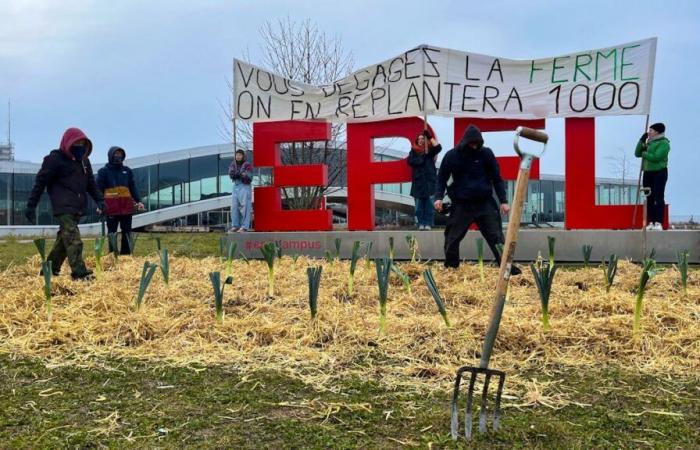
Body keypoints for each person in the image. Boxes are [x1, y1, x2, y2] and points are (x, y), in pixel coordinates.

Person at [434, 124, 520, 274]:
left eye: (477, 144)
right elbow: (441, 178)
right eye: (471, 143)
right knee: (452, 238)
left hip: (484, 203)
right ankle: (452, 269)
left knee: (496, 238)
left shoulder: (486, 154)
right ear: (465, 142)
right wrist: (438, 197)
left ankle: (507, 269)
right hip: (462, 204)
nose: (474, 146)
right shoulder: (452, 155)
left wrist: (504, 201)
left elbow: (496, 178)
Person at [24, 128, 105, 280]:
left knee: (64, 239)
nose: (80, 146)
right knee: (74, 239)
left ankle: (49, 269)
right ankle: (79, 273)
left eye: (83, 143)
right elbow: (40, 182)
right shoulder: (54, 159)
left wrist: (100, 200)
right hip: (63, 206)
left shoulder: (84, 162)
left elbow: (91, 184)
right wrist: (31, 205)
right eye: (77, 143)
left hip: (78, 206)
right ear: (68, 143)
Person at [96, 146, 145, 254]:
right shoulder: (103, 172)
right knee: (112, 233)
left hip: (126, 208)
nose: (118, 156)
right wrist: (99, 204)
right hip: (111, 208)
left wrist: (139, 201)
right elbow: (98, 189)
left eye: (120, 154)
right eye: (116, 154)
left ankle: (126, 256)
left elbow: (133, 187)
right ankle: (112, 255)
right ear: (110, 156)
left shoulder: (127, 171)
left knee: (127, 232)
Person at [635, 122, 670, 231]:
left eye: (651, 130)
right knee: (649, 197)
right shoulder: (649, 143)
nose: (649, 132)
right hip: (648, 172)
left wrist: (644, 153)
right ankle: (651, 222)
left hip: (659, 172)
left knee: (658, 196)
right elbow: (637, 153)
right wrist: (641, 141)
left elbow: (656, 157)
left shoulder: (664, 143)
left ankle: (659, 222)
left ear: (657, 131)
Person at [407, 129, 442, 230]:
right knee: (418, 207)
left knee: (429, 206)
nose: (421, 140)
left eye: (423, 138)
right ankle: (421, 223)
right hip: (418, 184)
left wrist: (430, 137)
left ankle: (428, 224)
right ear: (417, 141)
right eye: (420, 139)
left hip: (429, 182)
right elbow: (410, 161)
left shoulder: (429, 151)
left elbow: (438, 147)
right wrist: (422, 158)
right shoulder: (413, 151)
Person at [228, 149, 253, 232]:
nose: (238, 156)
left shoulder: (247, 165)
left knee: (245, 206)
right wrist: (240, 174)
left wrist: (238, 174)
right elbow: (231, 174)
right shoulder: (233, 164)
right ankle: (235, 225)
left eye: (240, 155)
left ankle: (244, 226)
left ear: (243, 156)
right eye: (237, 155)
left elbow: (249, 177)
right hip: (235, 186)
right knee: (234, 207)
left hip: (244, 186)